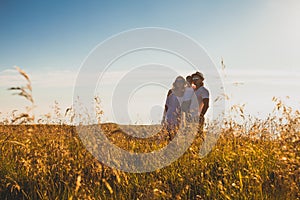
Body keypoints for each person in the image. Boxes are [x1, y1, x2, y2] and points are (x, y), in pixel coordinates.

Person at [191, 72, 209, 136]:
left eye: (197, 78)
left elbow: (206, 104)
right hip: (189, 117)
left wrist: (201, 115)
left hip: (197, 116)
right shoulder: (193, 90)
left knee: (198, 135)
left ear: (201, 79)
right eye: (193, 78)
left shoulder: (203, 90)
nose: (195, 80)